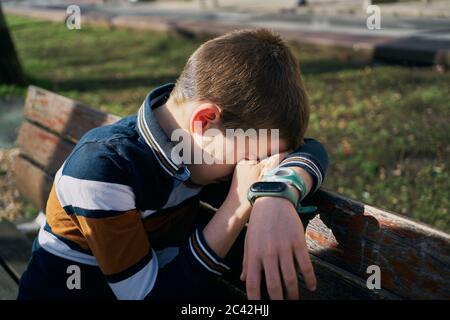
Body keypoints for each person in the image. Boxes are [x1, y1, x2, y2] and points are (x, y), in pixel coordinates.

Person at [18, 28, 328, 300]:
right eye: (251, 157)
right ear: (204, 121)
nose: (255, 168)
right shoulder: (103, 169)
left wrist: (275, 194)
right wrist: (237, 203)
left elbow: (311, 148)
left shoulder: (194, 150)